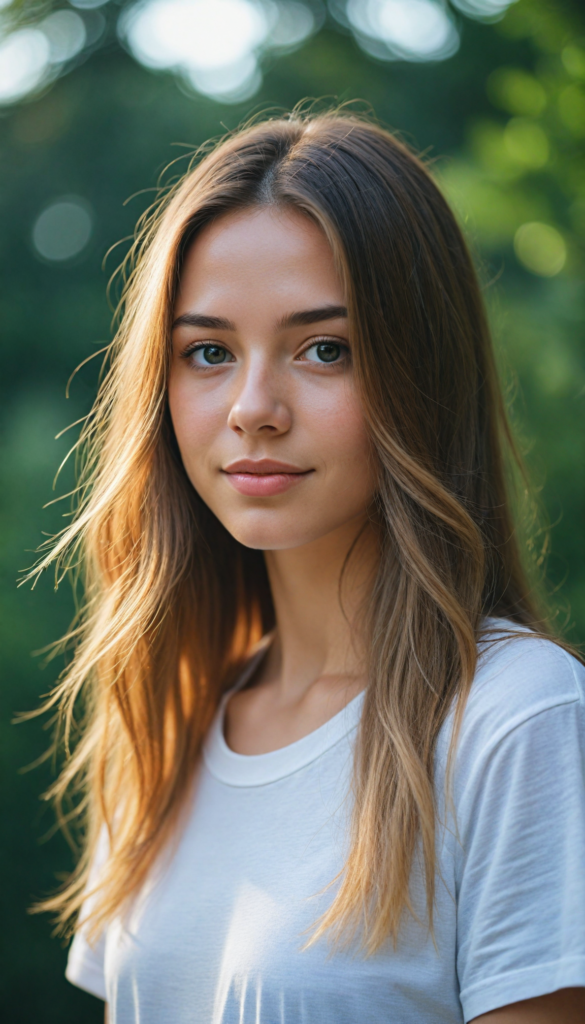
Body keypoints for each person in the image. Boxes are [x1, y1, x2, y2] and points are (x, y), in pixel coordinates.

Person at [35, 112, 584, 1023]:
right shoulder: (168, 715)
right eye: (207, 352)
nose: (253, 408)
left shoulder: (516, 721)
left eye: (323, 348)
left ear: (420, 372)